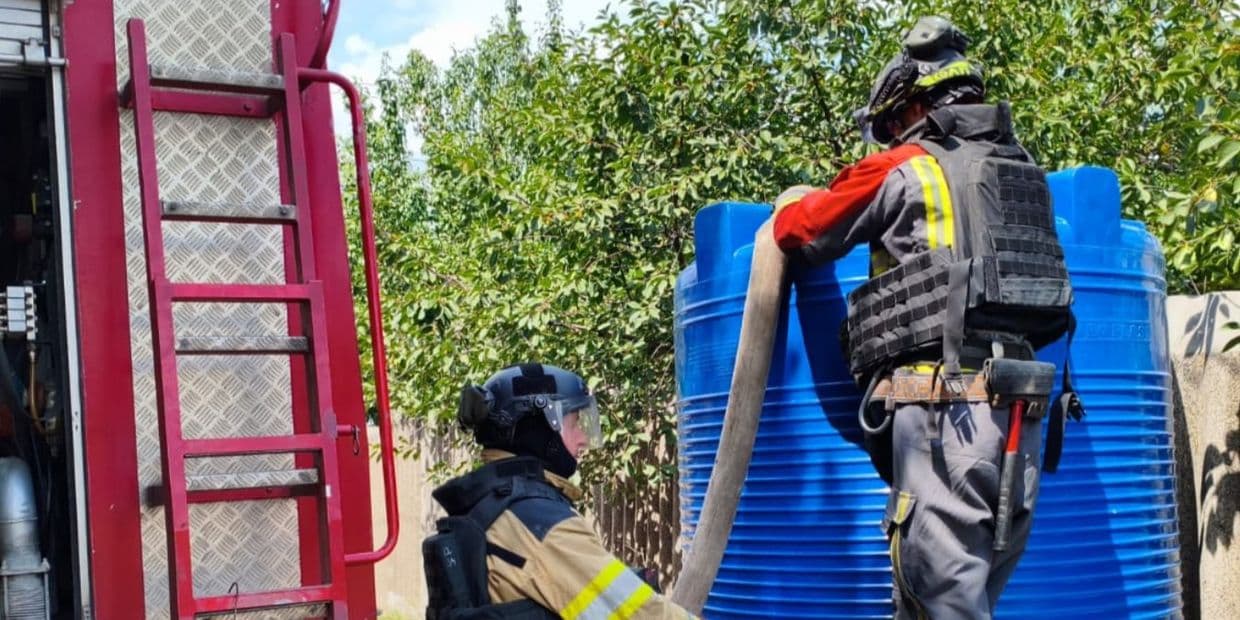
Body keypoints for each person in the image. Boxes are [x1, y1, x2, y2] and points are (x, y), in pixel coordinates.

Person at [771, 16, 1082, 620]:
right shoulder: (1022, 176)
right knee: (964, 599)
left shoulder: (903, 166)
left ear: (911, 108)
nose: (888, 136)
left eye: (890, 124)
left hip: (947, 421)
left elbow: (802, 231)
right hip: (1023, 417)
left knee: (944, 602)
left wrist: (792, 201)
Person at [423, 362, 695, 619]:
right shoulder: (540, 523)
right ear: (541, 425)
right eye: (575, 422)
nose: (584, 439)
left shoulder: (486, 505)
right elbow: (637, 613)